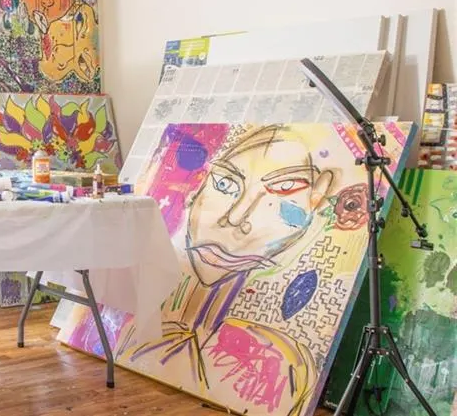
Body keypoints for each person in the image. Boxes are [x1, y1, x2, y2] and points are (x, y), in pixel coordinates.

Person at [116, 126, 334, 416]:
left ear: (311, 216)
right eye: (224, 184)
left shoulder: (284, 367)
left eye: (284, 205)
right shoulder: (134, 328)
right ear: (197, 187)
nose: (235, 217)